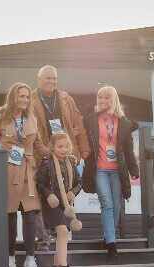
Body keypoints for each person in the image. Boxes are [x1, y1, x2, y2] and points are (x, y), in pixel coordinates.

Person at [0, 82, 51, 267]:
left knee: (30, 213)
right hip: (8, 171)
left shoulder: (32, 119)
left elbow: (40, 147)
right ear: (13, 97)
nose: (25, 100)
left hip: (28, 170)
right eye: (21, 96)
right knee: (10, 214)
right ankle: (10, 255)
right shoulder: (1, 118)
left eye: (27, 97)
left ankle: (31, 258)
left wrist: (58, 152)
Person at [30, 65, 90, 252]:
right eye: (48, 78)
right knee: (43, 196)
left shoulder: (65, 99)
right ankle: (43, 239)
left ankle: (61, 235)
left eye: (54, 78)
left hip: (65, 154)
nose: (52, 82)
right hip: (43, 155)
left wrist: (84, 150)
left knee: (66, 192)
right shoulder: (31, 100)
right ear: (39, 80)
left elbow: (77, 124)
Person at [82, 86, 139, 257]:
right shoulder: (91, 119)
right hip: (99, 169)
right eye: (100, 98)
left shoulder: (123, 122)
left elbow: (129, 149)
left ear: (113, 100)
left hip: (117, 170)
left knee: (116, 207)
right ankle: (112, 243)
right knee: (106, 204)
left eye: (106, 98)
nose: (102, 101)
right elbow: (81, 134)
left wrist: (133, 169)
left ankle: (108, 236)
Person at [36, 132, 82, 267]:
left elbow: (79, 183)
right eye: (60, 146)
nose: (63, 149)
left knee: (62, 238)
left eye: (66, 146)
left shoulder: (71, 162)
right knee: (62, 232)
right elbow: (40, 183)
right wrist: (49, 194)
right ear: (52, 147)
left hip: (66, 205)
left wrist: (73, 192)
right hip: (52, 204)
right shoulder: (46, 162)